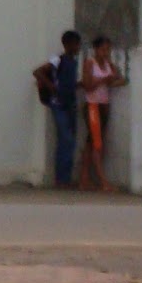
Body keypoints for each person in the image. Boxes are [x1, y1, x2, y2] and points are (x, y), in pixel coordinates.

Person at [34, 31, 83, 188]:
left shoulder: (74, 62)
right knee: (66, 139)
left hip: (70, 103)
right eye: (75, 44)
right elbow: (38, 72)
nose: (78, 47)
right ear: (67, 44)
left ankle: (65, 178)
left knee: (69, 141)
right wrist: (52, 87)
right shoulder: (58, 59)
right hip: (59, 104)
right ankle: (61, 179)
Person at [79, 35, 128, 193]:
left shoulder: (108, 65)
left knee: (91, 142)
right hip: (92, 105)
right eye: (103, 49)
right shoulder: (90, 63)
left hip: (104, 105)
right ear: (96, 49)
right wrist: (103, 80)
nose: (106, 53)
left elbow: (119, 79)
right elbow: (87, 85)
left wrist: (112, 80)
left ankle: (84, 179)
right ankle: (103, 181)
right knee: (97, 143)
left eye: (108, 50)